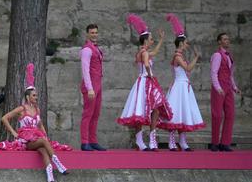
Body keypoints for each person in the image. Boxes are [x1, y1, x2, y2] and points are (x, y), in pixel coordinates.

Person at [0, 63, 70, 182]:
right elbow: (4, 118)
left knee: (43, 150)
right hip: (26, 141)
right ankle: (59, 164)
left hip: (37, 139)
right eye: (34, 95)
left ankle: (50, 178)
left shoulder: (37, 110)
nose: (36, 97)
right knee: (43, 142)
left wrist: (45, 134)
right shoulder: (21, 109)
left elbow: (40, 124)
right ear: (27, 97)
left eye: (36, 95)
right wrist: (14, 132)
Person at [117, 14, 173, 151]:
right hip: (146, 81)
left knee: (144, 111)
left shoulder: (142, 51)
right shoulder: (144, 53)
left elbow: (154, 52)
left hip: (142, 82)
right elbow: (147, 64)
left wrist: (161, 40)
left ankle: (142, 140)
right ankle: (147, 141)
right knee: (153, 109)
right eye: (151, 39)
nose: (152, 41)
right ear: (145, 41)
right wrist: (150, 75)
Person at [158, 14, 204, 151]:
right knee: (176, 113)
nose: (187, 45)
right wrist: (196, 58)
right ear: (180, 44)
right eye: (185, 43)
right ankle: (172, 142)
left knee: (183, 113)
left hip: (184, 86)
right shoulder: (177, 56)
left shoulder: (180, 56)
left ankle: (183, 142)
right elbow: (188, 68)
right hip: (179, 87)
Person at [210, 32, 240, 152]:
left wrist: (234, 87)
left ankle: (225, 143)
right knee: (217, 115)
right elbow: (213, 73)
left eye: (228, 39)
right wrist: (218, 88)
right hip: (219, 88)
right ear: (219, 42)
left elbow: (230, 74)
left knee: (230, 114)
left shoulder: (229, 56)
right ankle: (215, 143)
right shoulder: (217, 55)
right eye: (225, 39)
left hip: (228, 88)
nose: (227, 41)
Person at [79, 24, 107, 151]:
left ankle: (93, 141)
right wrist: (90, 88)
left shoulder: (96, 48)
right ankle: (85, 142)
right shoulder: (87, 50)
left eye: (96, 32)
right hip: (91, 86)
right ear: (87, 34)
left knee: (96, 114)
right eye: (92, 32)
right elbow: (85, 70)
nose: (94, 34)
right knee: (88, 114)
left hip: (98, 85)